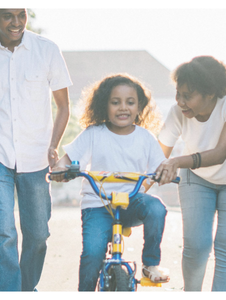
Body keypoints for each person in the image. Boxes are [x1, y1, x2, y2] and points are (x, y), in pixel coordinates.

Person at [0, 8, 72, 291]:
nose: (17, 22)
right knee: (4, 231)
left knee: (37, 234)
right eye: (8, 15)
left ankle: (25, 289)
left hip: (36, 156)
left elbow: (64, 106)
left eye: (21, 14)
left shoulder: (47, 50)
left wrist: (53, 146)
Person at [50, 73, 171, 291]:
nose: (123, 108)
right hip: (98, 204)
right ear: (104, 105)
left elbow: (158, 168)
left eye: (130, 102)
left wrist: (164, 174)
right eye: (115, 102)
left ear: (139, 106)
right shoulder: (94, 134)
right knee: (92, 253)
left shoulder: (145, 138)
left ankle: (150, 264)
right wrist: (60, 169)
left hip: (131, 201)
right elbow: (67, 160)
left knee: (156, 207)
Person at [154, 56, 226, 291]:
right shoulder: (177, 113)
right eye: (178, 94)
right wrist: (132, 191)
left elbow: (221, 153)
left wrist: (178, 161)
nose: (180, 102)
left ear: (210, 92)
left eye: (187, 96)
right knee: (197, 245)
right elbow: (157, 158)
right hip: (197, 178)